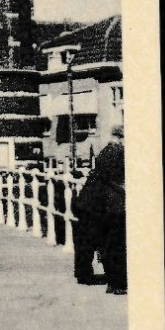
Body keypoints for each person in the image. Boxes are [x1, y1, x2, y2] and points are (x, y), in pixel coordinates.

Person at [72, 125, 126, 294]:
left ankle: (90, 276)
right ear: (122, 137)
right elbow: (114, 179)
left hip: (90, 203)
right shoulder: (118, 152)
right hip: (107, 205)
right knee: (114, 243)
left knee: (91, 241)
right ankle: (117, 283)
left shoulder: (104, 152)